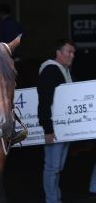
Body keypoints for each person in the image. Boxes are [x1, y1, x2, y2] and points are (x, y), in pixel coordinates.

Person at [37, 39, 76, 203]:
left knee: (57, 167)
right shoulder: (51, 70)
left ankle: (55, 197)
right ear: (58, 53)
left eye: (73, 53)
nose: (72, 56)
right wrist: (48, 129)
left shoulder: (63, 70)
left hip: (63, 129)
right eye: (69, 52)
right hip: (54, 129)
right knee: (52, 168)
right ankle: (52, 200)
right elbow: (44, 101)